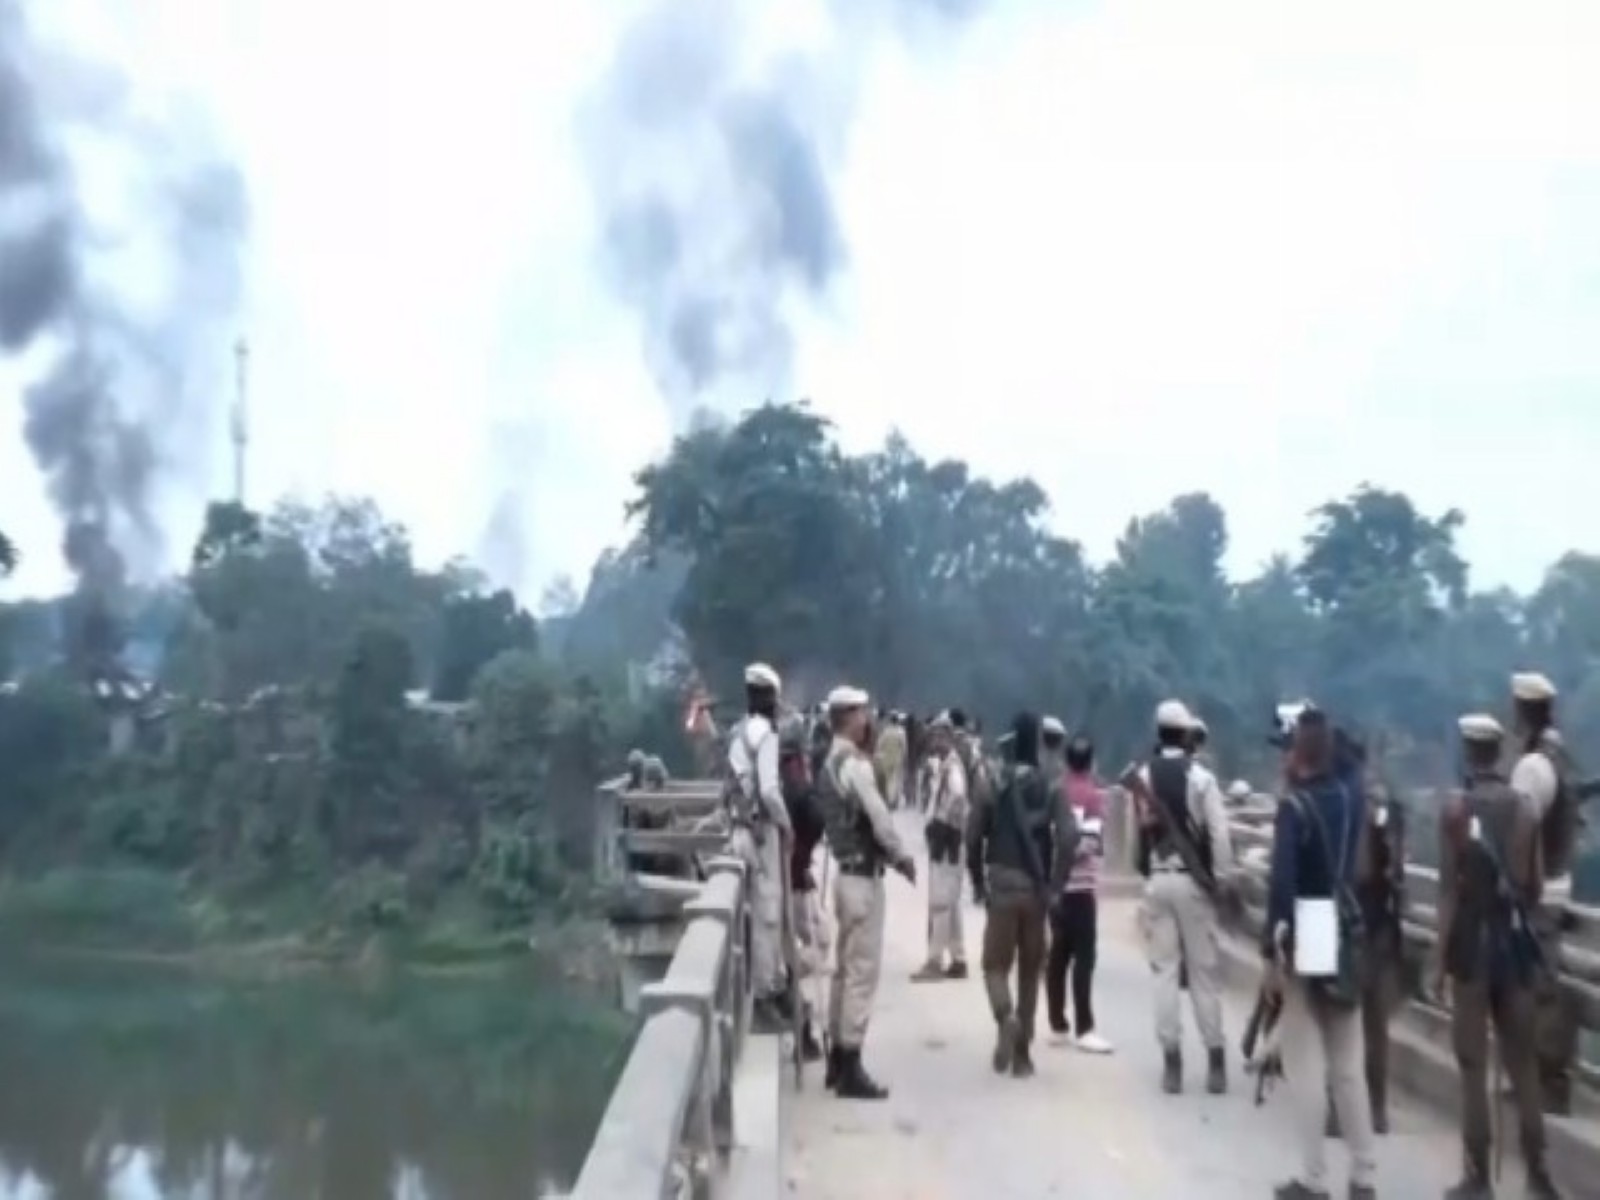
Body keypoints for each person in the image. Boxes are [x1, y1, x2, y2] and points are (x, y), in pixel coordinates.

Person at [1436, 713, 1561, 1199]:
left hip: (1471, 947)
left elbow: (1448, 893)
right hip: (1513, 948)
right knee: (1522, 1063)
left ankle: (1478, 1175)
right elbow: (1533, 886)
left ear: (1469, 753)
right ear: (1499, 753)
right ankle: (1538, 1172)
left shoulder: (1455, 810)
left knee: (1472, 1064)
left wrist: (1438, 961)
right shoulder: (1526, 811)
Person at [1262, 706, 1377, 1200]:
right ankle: (1365, 1175)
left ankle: (1314, 1179)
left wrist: (1272, 948)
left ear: (1296, 754)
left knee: (1306, 1062)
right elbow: (1352, 766)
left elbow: (1281, 884)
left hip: (1308, 926)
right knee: (1349, 1064)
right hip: (1345, 922)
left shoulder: (1294, 807)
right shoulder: (1350, 799)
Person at [816, 685, 916, 1099]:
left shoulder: (829, 761)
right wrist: (902, 856)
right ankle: (852, 1063)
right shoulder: (855, 765)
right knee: (861, 974)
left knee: (843, 970)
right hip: (862, 877)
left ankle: (837, 1059)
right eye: (862, 713)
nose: (868, 720)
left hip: (843, 874)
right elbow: (879, 815)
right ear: (848, 717)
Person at [966, 711, 1079, 1078]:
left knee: (993, 966)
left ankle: (1005, 1016)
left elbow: (972, 837)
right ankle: (1023, 1057)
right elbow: (1068, 836)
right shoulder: (1052, 785)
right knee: (1031, 972)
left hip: (1000, 885)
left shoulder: (991, 780)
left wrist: (977, 881)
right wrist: (1057, 885)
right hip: (1036, 891)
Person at [1130, 699, 1233, 1095]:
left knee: (1165, 973)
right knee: (1204, 974)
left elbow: (1141, 834)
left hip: (1158, 878)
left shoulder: (1142, 777)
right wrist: (1220, 878)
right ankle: (1215, 1060)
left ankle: (1172, 1062)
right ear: (1187, 734)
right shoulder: (1202, 779)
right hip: (1193, 884)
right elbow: (1219, 835)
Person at [1508, 671, 1580, 1117]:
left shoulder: (1532, 766)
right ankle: (1538, 1080)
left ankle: (1543, 1083)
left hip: (1536, 891)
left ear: (1522, 711)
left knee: (1531, 989)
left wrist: (1511, 887)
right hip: (1558, 886)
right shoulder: (1560, 757)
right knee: (1539, 986)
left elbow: (1521, 832)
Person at [726, 662, 795, 1032]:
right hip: (762, 833)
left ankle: (767, 986)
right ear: (770, 699)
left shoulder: (738, 730)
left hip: (739, 829)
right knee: (768, 913)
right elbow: (769, 790)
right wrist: (787, 824)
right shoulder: (766, 735)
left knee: (754, 911)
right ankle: (766, 993)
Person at [1046, 734, 1113, 1053]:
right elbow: (1089, 842)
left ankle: (1057, 1024)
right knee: (1084, 958)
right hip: (1082, 886)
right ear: (1092, 763)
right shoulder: (1095, 797)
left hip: (1056, 887)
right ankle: (1085, 1027)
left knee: (1058, 956)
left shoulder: (1054, 792)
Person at [780, 713, 828, 1062]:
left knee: (806, 949)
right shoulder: (794, 776)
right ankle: (804, 1023)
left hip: (787, 874)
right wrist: (803, 855)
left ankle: (801, 1020)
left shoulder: (777, 774)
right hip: (790, 881)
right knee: (812, 947)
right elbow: (813, 818)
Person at [913, 713, 969, 981]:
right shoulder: (944, 764)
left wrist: (944, 823)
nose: (933, 739)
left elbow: (957, 795)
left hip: (947, 842)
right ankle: (958, 958)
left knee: (940, 903)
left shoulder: (952, 767)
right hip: (949, 841)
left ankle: (934, 961)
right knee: (951, 903)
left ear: (947, 737)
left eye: (938, 735)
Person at [874, 712, 908, 810]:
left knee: (887, 780)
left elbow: (879, 745)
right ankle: (893, 801)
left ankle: (887, 800)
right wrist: (904, 758)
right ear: (897, 721)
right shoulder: (901, 732)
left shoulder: (885, 731)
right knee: (895, 781)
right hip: (897, 759)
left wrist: (878, 756)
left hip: (885, 758)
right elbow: (904, 747)